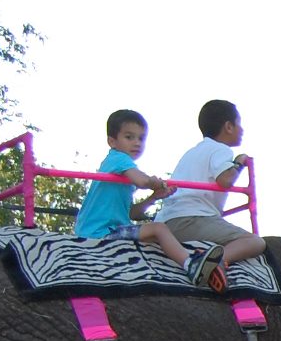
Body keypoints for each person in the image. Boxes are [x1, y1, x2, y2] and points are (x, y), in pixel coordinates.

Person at [155, 99, 266, 291]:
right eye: (239, 123)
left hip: (167, 219)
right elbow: (225, 180)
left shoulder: (192, 152)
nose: (242, 129)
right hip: (192, 218)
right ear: (228, 126)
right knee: (255, 242)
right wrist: (239, 162)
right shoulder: (221, 149)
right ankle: (212, 262)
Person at [76, 110, 189, 269]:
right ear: (112, 141)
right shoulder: (118, 158)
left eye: (141, 138)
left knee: (157, 239)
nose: (137, 143)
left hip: (111, 230)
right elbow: (143, 181)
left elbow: (131, 214)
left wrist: (153, 198)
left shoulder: (121, 169)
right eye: (129, 137)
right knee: (159, 229)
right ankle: (190, 263)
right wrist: (154, 182)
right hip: (100, 232)